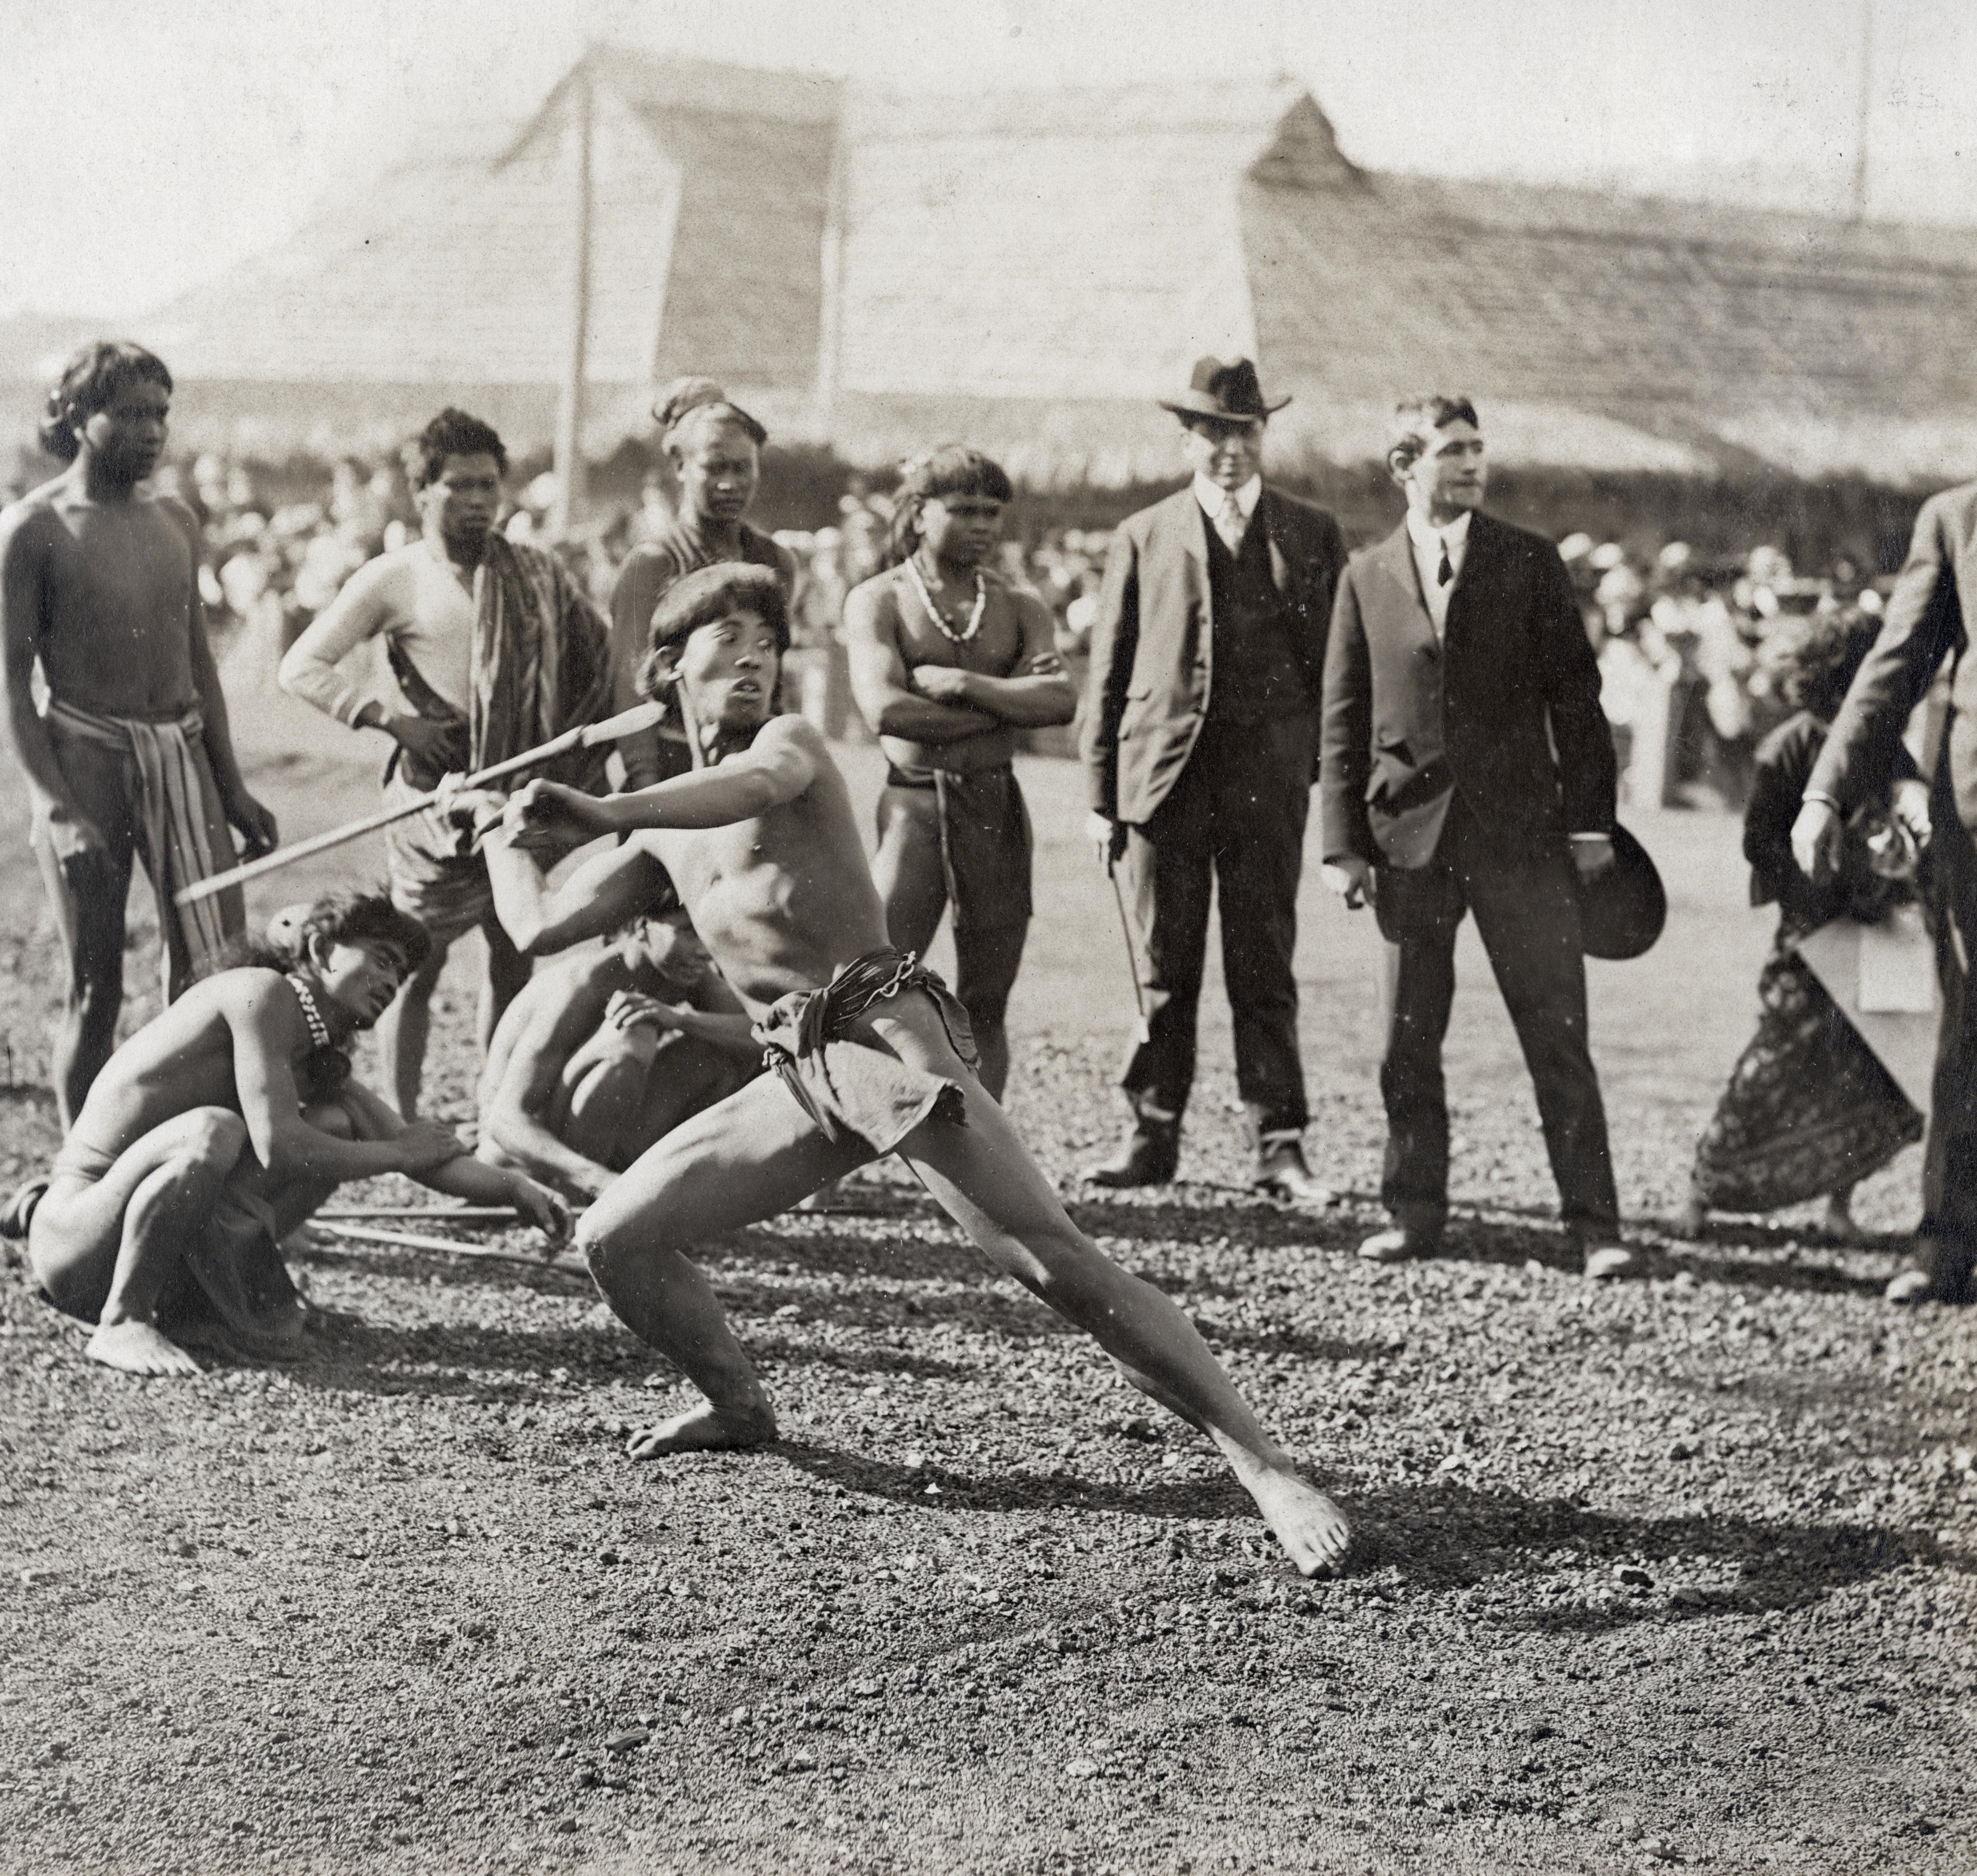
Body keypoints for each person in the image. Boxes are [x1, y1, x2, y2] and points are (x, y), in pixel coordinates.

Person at [472, 561, 1352, 1579]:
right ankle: (737, 1403)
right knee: (616, 1236)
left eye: (769, 641)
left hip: (884, 1028)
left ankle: (1264, 1466)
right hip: (796, 1068)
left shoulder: (782, 746)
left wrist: (603, 809)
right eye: (728, 645)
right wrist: (495, 827)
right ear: (666, 669)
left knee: (1047, 1257)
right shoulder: (657, 828)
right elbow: (536, 924)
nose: (757, 658)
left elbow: (749, 789)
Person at [1317, 395, 1634, 1279]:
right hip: (1404, 842)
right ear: (1403, 465)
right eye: (1451, 451)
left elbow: (1578, 703)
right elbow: (1342, 717)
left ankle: (1595, 1225)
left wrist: (1589, 823)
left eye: (1477, 450)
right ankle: (1412, 1213)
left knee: (1555, 1033)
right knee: (1403, 1040)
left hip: (1521, 842)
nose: (1470, 465)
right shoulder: (1364, 575)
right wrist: (1341, 844)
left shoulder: (1528, 563)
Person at [15, 891, 569, 1378]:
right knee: (214, 1130)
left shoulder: (316, 1045)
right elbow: (281, 1145)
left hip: (133, 1246)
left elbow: (420, 1150)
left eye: (400, 978)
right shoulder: (261, 994)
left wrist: (518, 1190)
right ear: (323, 950)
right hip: (76, 1242)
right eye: (381, 961)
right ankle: (122, 1322)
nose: (390, 984)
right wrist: (395, 1155)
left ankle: (214, 1306)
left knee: (338, 1121)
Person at [1796, 317, 1977, 1306]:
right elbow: (1893, 665)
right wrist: (1828, 786)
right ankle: (1944, 1245)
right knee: (1974, 1031)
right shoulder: (1957, 519)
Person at [279, 407, 615, 1117]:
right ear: (422, 491)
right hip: (430, 806)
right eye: (460, 485)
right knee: (413, 964)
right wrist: (390, 719)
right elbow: (302, 667)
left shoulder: (537, 572)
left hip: (517, 796)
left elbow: (599, 658)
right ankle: (402, 1117)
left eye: (490, 485)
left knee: (512, 952)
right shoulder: (393, 578)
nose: (479, 502)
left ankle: (498, 1109)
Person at [0, 341, 280, 1127]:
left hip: (182, 755)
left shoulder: (178, 519)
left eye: (162, 413)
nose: (154, 431)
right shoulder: (32, 528)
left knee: (216, 973)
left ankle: (192, 1153)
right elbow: (7, 687)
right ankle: (84, 1174)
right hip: (86, 762)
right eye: (133, 413)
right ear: (79, 417)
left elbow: (199, 666)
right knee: (97, 985)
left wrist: (233, 786)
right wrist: (57, 809)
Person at [1080, 358, 1346, 1198]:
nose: (1229, 451)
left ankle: (1280, 1142)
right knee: (1165, 967)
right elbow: (1109, 672)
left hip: (1267, 784)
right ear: (1185, 438)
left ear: (1264, 436)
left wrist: (1316, 771)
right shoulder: (1144, 533)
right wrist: (1099, 798)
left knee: (1264, 964)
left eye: (1245, 433)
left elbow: (1336, 673)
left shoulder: (1309, 532)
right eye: (1212, 434)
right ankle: (1152, 1135)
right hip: (1164, 782)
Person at [1682, 610, 1926, 1239]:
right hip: (1814, 926)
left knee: (1873, 1066)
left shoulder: (1886, 746)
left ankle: (1839, 1205)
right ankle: (1705, 1189)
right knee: (1777, 1056)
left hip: (1880, 922)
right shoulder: (1789, 746)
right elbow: (1760, 842)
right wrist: (1828, 870)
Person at [842, 446, 1073, 1098]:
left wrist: (962, 683)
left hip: (995, 808)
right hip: (914, 807)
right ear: (918, 514)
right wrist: (1004, 711)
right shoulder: (877, 599)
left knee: (987, 999)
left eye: (992, 512)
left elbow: (1061, 700)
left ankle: (985, 1157)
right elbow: (886, 709)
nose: (983, 525)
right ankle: (847, 1147)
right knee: (876, 985)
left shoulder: (1020, 605)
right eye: (965, 510)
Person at [474, 896, 759, 1201]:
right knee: (632, 1036)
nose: (705, 950)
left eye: (708, 932)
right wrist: (596, 1180)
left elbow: (764, 1035)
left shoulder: (687, 973)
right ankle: (588, 1199)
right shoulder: (580, 985)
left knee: (719, 1052)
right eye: (688, 932)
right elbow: (505, 1121)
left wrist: (681, 1018)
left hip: (590, 1145)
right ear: (641, 927)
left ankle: (651, 1188)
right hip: (521, 1164)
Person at [606, 380, 796, 791]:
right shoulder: (653, 564)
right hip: (668, 767)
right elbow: (630, 688)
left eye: (742, 467)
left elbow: (775, 683)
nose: (730, 484)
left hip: (749, 767)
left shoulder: (776, 561)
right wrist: (647, 787)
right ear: (681, 468)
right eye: (714, 468)